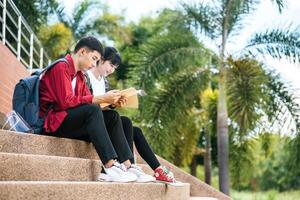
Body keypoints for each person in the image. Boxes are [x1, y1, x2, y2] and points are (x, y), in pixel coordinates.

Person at [39, 36, 137, 183]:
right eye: (93, 58)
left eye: (96, 60)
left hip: (69, 122)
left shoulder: (79, 77)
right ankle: (110, 166)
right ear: (82, 52)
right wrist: (101, 98)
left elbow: (89, 102)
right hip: (54, 123)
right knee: (92, 110)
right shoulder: (61, 67)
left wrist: (112, 102)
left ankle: (128, 166)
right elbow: (66, 102)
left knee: (112, 116)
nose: (93, 64)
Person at [86, 46, 180, 184]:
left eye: (114, 68)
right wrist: (106, 102)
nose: (111, 70)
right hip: (90, 122)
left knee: (127, 123)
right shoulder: (86, 76)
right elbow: (88, 105)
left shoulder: (103, 81)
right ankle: (128, 166)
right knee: (115, 117)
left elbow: (102, 106)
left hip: (99, 118)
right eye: (110, 65)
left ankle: (137, 167)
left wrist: (114, 103)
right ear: (101, 59)